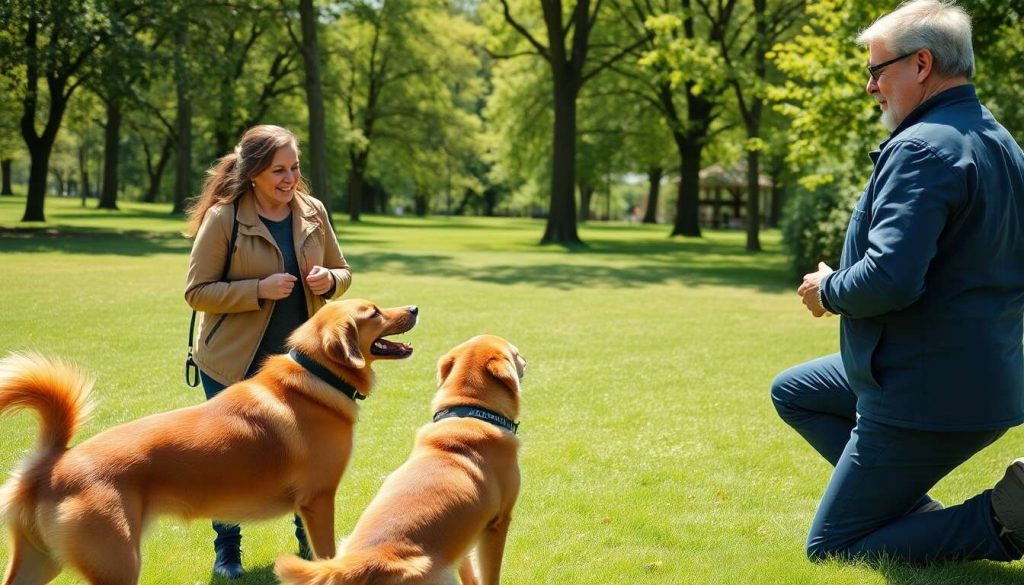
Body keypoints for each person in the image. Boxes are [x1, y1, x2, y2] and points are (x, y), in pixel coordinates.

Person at [771, 0, 1024, 565]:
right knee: (795, 390)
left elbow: (889, 278)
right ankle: (909, 512)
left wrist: (829, 288)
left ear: (922, 64)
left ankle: (1004, 519)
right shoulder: (1000, 141)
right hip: (979, 375)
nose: (871, 86)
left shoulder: (921, 147)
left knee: (831, 548)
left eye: (876, 69)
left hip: (924, 390)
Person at [184, 125, 352, 578]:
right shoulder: (225, 218)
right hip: (232, 361)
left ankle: (311, 548)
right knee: (229, 458)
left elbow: (343, 270)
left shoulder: (313, 212)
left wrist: (330, 281)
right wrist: (258, 288)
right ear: (254, 172)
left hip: (302, 365)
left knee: (309, 457)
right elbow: (196, 291)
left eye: (294, 167)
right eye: (279, 170)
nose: (289, 178)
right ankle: (227, 552)